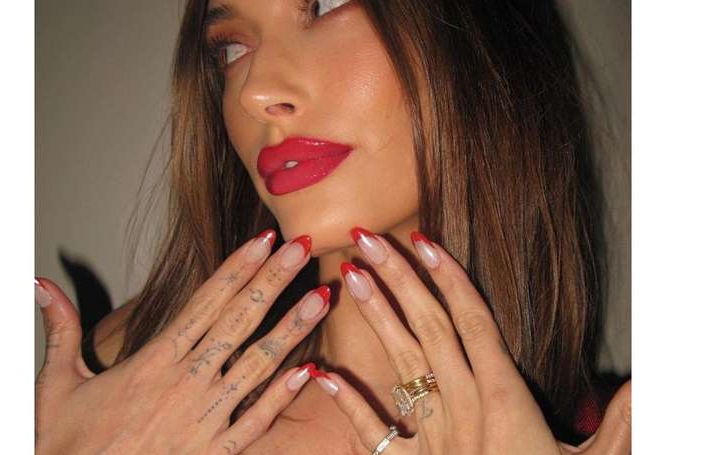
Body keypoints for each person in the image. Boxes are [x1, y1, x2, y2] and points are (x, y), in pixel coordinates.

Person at [34, 0, 632, 453]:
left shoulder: (615, 429)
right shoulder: (119, 376)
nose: (255, 92)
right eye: (231, 48)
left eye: (325, 5)